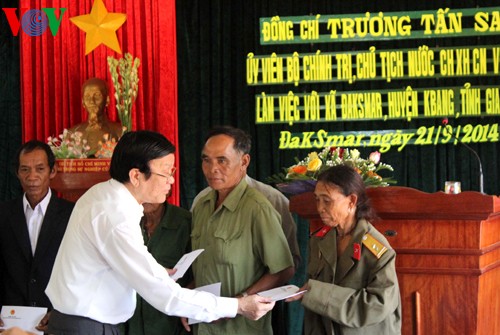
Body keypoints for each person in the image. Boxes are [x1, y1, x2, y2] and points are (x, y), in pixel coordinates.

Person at [45, 130, 274, 335]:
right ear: (136, 176)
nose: (172, 181)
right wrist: (238, 306)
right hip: (88, 328)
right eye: (165, 173)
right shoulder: (115, 216)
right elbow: (167, 297)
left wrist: (152, 270)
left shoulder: (102, 194)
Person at [188, 126, 295, 334]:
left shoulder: (259, 206)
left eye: (222, 160)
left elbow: (283, 269)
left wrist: (239, 302)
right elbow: (205, 266)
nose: (212, 169)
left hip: (242, 327)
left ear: (244, 162)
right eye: (206, 160)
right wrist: (188, 300)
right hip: (205, 325)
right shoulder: (201, 204)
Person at [286, 165, 402, 334]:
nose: (320, 208)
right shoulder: (319, 239)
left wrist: (317, 294)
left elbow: (378, 304)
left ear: (352, 201)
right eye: (317, 199)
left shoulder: (377, 249)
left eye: (327, 201)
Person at [0, 140, 74, 333]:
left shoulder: (72, 215)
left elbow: (78, 271)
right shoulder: (3, 214)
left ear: (52, 171)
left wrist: (61, 313)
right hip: (10, 322)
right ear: (17, 173)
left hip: (56, 319)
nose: (32, 177)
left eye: (39, 169)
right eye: (25, 169)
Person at [121, 201, 192, 335]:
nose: (146, 198)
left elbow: (199, 272)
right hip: (128, 323)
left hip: (170, 324)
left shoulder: (185, 222)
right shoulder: (124, 220)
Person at [68, 77, 123, 154]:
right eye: (87, 97)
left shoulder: (120, 131)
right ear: (83, 102)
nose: (92, 101)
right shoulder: (72, 134)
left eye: (97, 95)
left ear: (107, 100)